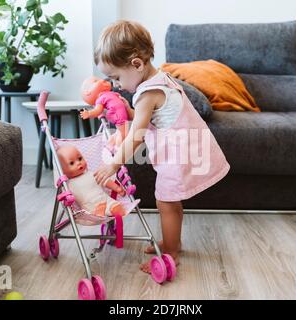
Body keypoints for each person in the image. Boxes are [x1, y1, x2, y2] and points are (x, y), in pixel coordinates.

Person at [92, 20, 230, 273]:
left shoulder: (147, 93)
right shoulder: (161, 80)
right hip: (186, 149)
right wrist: (128, 111)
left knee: (165, 202)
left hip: (176, 156)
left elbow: (136, 135)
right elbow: (152, 115)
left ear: (136, 64)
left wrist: (113, 164)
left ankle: (170, 253)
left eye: (116, 77)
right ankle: (172, 241)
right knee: (172, 202)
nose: (116, 85)